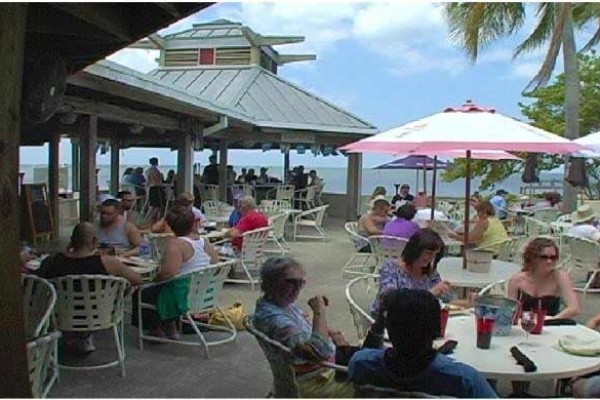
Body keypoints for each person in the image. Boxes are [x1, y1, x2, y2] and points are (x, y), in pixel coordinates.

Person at [348, 289, 498, 398]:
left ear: (388, 328)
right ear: (437, 329)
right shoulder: (463, 379)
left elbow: (367, 354)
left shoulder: (361, 364)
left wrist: (380, 322)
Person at [252, 257, 354, 398]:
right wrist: (320, 312)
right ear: (271, 282)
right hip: (316, 381)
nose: (297, 288)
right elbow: (319, 351)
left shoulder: (277, 304)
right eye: (290, 282)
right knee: (381, 382)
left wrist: (332, 333)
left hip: (321, 370)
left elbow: (303, 320)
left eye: (301, 283)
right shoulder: (274, 319)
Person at [37, 222, 142, 352]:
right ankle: (83, 335)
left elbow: (39, 285)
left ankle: (74, 336)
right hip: (99, 314)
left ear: (71, 240)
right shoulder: (108, 262)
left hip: (62, 314)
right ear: (94, 241)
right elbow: (137, 280)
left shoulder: (52, 261)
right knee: (123, 286)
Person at [138, 208, 219, 339]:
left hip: (184, 296)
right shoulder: (204, 242)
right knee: (164, 286)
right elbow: (215, 263)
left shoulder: (176, 245)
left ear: (170, 226)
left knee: (144, 290)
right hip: (204, 292)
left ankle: (157, 329)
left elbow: (168, 273)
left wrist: (153, 279)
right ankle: (171, 327)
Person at [371, 228, 450, 314]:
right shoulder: (392, 268)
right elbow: (390, 301)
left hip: (418, 320)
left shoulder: (430, 273)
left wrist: (465, 303)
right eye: (428, 253)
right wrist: (429, 294)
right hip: (389, 321)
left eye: (435, 254)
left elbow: (445, 301)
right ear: (416, 250)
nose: (431, 258)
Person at [508, 237, 580, 319]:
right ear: (532, 258)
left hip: (550, 325)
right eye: (544, 257)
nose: (549, 261)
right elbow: (510, 310)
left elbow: (574, 308)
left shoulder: (560, 277)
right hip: (524, 324)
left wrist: (551, 321)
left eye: (553, 258)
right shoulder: (517, 280)